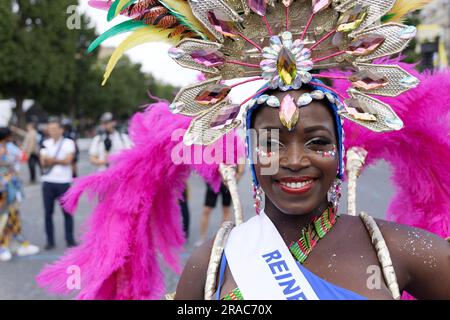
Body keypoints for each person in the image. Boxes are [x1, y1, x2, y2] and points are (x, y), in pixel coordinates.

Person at [37, 0, 450, 300]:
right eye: (270, 143)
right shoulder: (212, 263)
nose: (292, 160)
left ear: (340, 152)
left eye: (317, 142)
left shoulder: (396, 250)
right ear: (249, 155)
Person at [0, 128, 39, 261]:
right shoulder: (7, 147)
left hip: (9, 186)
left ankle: (17, 244)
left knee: (11, 216)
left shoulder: (7, 147)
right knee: (6, 217)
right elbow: (23, 157)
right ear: (8, 137)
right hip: (6, 188)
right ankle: (5, 246)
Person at [40, 118, 77, 250]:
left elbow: (68, 160)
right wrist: (58, 160)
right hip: (48, 182)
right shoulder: (45, 143)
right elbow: (43, 162)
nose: (53, 131)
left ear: (61, 130)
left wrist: (52, 160)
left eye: (55, 129)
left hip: (63, 183)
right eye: (50, 129)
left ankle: (70, 239)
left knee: (67, 212)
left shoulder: (69, 143)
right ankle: (50, 241)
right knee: (48, 213)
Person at [198, 163, 245, 246]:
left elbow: (241, 164)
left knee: (226, 210)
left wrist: (236, 179)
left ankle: (222, 238)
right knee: (206, 210)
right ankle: (202, 238)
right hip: (213, 181)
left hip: (227, 181)